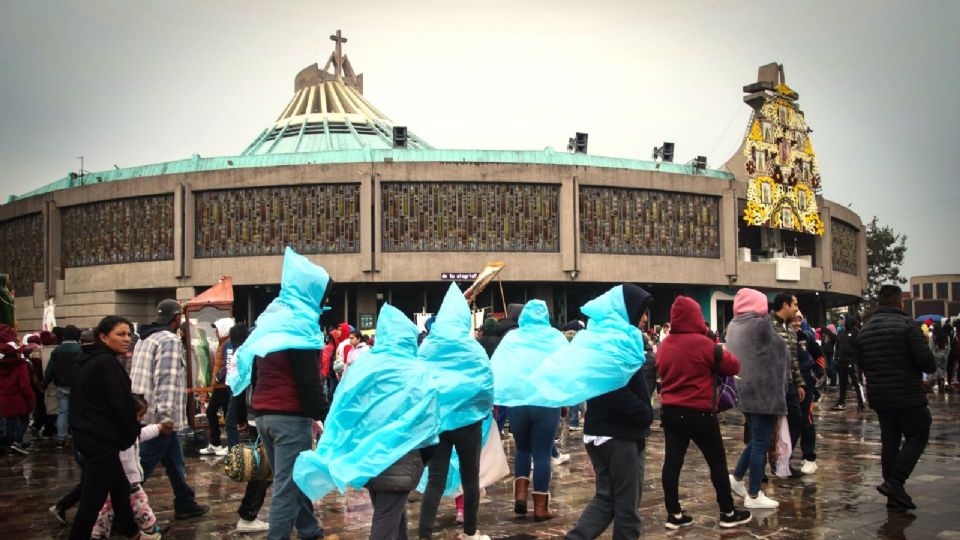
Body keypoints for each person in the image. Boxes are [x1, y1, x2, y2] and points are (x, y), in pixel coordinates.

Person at [239, 249, 335, 540]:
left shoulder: (272, 320)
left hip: (265, 414)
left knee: (294, 479)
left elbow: (254, 371)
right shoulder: (301, 326)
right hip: (289, 417)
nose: (326, 301)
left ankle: (309, 530)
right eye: (324, 294)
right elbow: (308, 382)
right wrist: (327, 415)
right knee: (287, 486)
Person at [564, 283, 654, 540]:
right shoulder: (617, 341)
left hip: (600, 431)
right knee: (627, 507)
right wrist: (644, 413)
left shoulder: (602, 337)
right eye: (642, 311)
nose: (645, 318)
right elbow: (613, 390)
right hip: (619, 435)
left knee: (606, 499)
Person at [656, 296, 751, 529]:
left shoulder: (665, 345)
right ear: (696, 317)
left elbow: (659, 369)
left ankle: (674, 514)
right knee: (716, 463)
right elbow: (733, 366)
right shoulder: (704, 344)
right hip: (699, 413)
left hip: (670, 412)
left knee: (672, 463)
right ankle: (727, 512)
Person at [68, 315, 159, 540]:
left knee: (120, 489)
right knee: (93, 499)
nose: (127, 339)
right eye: (120, 334)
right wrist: (130, 432)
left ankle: (133, 533)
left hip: (90, 436)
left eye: (129, 334)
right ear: (103, 336)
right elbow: (120, 403)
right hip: (101, 439)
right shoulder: (106, 362)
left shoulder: (88, 359)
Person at [856, 285, 936, 510]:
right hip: (907, 394)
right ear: (899, 302)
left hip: (880, 395)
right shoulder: (908, 325)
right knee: (918, 434)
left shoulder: (866, 329)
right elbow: (927, 362)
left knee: (889, 442)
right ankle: (895, 482)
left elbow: (861, 363)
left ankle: (894, 495)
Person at [129, 299, 209, 520]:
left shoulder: (145, 339)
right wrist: (165, 418)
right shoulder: (170, 340)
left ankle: (185, 501)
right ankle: (118, 509)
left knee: (175, 461)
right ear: (177, 319)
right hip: (158, 417)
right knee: (140, 468)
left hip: (144, 410)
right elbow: (166, 380)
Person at [726, 288, 789, 510]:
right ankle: (754, 493)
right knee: (761, 442)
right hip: (764, 392)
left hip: (744, 390)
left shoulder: (733, 325)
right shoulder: (760, 325)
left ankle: (736, 477)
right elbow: (782, 345)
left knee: (756, 439)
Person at [90, 395, 169, 539]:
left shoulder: (125, 430)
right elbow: (140, 436)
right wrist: (158, 428)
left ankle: (98, 533)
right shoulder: (123, 432)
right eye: (140, 415)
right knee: (140, 503)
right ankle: (150, 527)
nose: (141, 419)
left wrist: (158, 428)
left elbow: (141, 434)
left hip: (119, 476)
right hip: (128, 477)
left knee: (108, 507)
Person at [769, 292, 805, 463]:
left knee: (797, 419)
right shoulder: (767, 326)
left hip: (790, 383)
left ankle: (783, 458)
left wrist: (799, 383)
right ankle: (767, 460)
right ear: (785, 305)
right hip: (773, 385)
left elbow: (794, 358)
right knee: (768, 426)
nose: (796, 309)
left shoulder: (791, 329)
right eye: (794, 304)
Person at [794, 312, 824, 474]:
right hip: (788, 385)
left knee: (806, 420)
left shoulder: (806, 338)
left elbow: (819, 356)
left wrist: (816, 375)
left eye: (799, 319)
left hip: (806, 385)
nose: (797, 323)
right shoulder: (779, 336)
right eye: (794, 319)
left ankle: (809, 457)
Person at [200, 317, 234, 456]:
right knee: (218, 413)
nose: (215, 332)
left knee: (223, 414)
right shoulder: (223, 343)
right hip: (219, 385)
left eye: (218, 329)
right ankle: (217, 443)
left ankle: (225, 444)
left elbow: (228, 364)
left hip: (223, 386)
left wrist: (219, 377)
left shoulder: (228, 344)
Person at [45, 325, 83, 449]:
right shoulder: (80, 349)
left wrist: (45, 383)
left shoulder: (57, 350)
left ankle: (61, 439)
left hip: (61, 385)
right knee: (78, 412)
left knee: (62, 412)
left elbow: (49, 370)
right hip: (78, 386)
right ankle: (77, 436)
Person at [0, 339, 35, 455]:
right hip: (19, 399)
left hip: (4, 399)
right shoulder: (20, 367)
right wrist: (31, 399)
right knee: (25, 420)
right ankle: (17, 440)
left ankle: (10, 445)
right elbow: (25, 386)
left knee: (10, 420)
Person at [223, 323, 249, 449]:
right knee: (231, 422)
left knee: (230, 422)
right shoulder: (240, 350)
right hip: (235, 389)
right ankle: (234, 449)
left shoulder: (243, 351)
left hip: (238, 390)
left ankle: (234, 450)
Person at [833, 314, 865, 411]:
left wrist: (856, 360)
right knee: (842, 383)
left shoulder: (855, 332)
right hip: (841, 362)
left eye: (841, 319)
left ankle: (861, 404)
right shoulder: (840, 333)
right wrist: (836, 358)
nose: (839, 320)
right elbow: (837, 346)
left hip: (852, 362)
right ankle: (841, 402)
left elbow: (859, 347)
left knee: (856, 383)